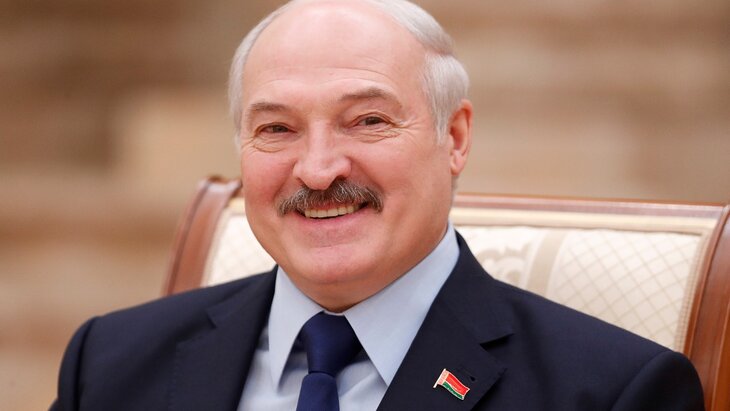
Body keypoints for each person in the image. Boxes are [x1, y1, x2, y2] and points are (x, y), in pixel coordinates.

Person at [51, 0, 705, 410]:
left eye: (367, 121)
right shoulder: (108, 364)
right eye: (277, 128)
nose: (318, 169)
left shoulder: (613, 392)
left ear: (454, 137)